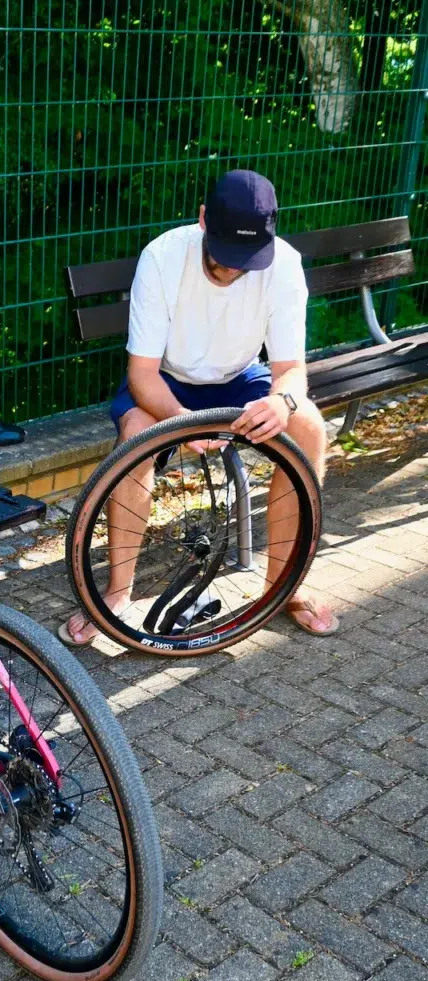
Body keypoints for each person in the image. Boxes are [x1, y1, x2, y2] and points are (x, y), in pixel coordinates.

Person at [62, 169, 337, 646]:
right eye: (225, 253)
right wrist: (185, 425)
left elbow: (292, 371)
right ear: (204, 219)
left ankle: (285, 588)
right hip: (168, 383)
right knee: (135, 438)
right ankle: (116, 593)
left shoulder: (285, 265)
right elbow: (142, 375)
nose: (231, 269)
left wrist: (282, 401)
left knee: (309, 426)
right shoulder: (163, 256)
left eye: (245, 260)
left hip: (238, 379)